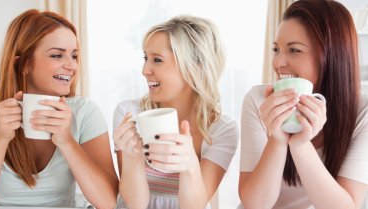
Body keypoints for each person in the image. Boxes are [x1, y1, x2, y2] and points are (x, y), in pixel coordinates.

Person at [238, 0, 368, 208]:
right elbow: (255, 204)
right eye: (276, 49)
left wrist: (300, 145)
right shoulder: (259, 99)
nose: (277, 63)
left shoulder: (362, 112)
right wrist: (278, 140)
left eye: (294, 50)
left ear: (331, 54)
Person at [0, 9, 118, 208]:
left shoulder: (85, 113)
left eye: (74, 56)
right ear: (23, 64)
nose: (72, 66)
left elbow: (110, 203)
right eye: (57, 55)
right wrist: (0, 138)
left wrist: (67, 141)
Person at [112, 15, 239, 209]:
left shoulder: (222, 129)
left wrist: (189, 166)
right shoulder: (128, 113)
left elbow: (194, 206)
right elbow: (134, 204)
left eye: (157, 60)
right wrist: (132, 157)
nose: (145, 70)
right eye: (146, 58)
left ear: (195, 67)